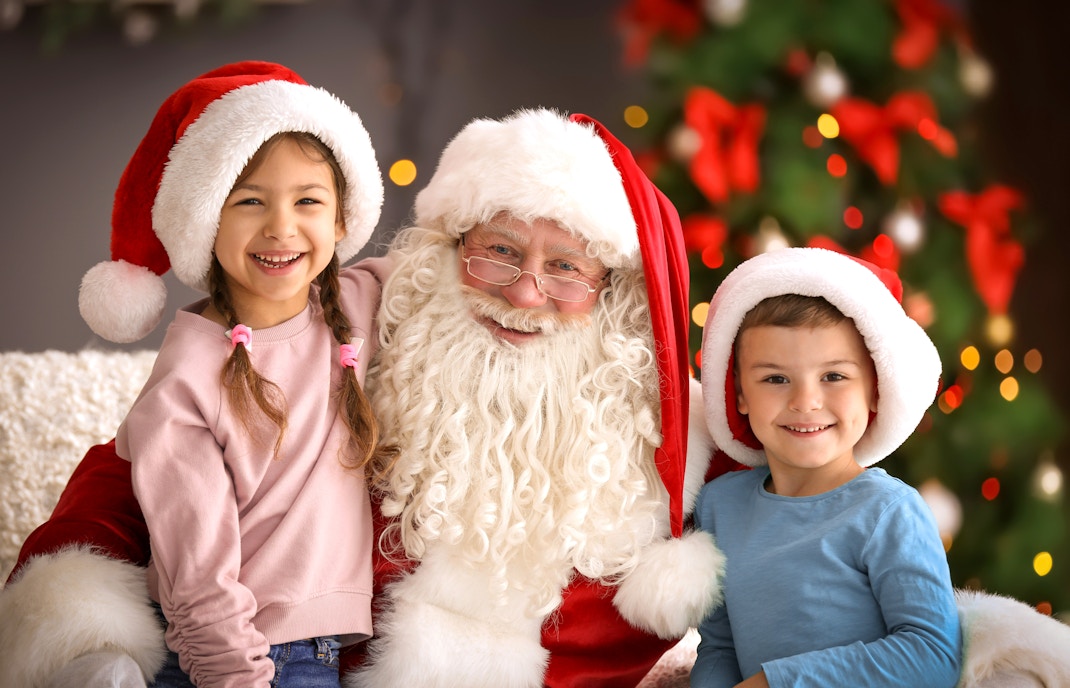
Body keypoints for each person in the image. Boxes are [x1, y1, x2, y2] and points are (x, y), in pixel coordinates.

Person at [0, 108, 726, 688]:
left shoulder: (664, 432)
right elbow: (146, 463)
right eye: (498, 250)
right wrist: (84, 618)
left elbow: (804, 511)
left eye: (566, 267)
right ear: (449, 246)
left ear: (615, 296)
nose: (525, 292)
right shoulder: (371, 322)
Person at [19, 61, 388, 688]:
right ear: (205, 219)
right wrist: (235, 674)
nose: (281, 226)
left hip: (324, 649)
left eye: (308, 201)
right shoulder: (187, 383)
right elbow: (197, 575)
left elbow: (457, 261)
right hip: (248, 656)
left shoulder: (358, 304)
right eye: (249, 201)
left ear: (343, 220)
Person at [692, 247, 962, 687]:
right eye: (775, 379)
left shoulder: (888, 512)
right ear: (739, 394)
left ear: (875, 391)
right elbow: (719, 647)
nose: (805, 402)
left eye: (834, 376)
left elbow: (931, 655)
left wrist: (774, 682)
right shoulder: (719, 506)